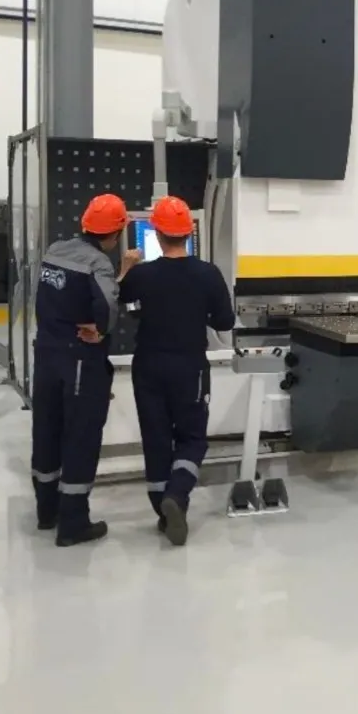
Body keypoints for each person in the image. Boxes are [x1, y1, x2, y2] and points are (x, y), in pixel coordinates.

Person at [119, 195, 235, 546]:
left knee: (156, 438)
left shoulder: (141, 275)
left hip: (148, 365)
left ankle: (164, 512)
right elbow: (225, 322)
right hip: (189, 367)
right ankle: (178, 494)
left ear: (156, 232)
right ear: (189, 233)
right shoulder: (207, 274)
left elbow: (120, 301)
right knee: (192, 437)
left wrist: (126, 268)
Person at [31, 193, 141, 546]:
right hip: (79, 359)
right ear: (116, 233)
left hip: (46, 353)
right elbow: (107, 308)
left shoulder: (55, 251)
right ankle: (74, 523)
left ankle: (47, 511)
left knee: (47, 431)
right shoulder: (98, 263)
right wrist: (101, 329)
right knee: (81, 436)